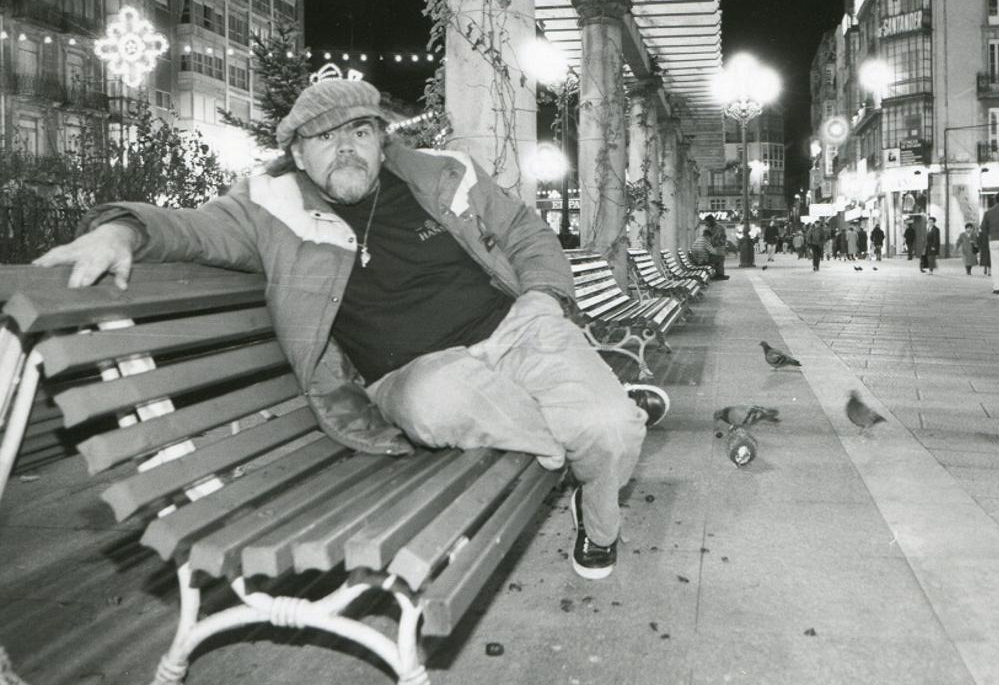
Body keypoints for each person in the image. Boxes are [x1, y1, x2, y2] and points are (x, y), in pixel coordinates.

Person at [33, 77, 657, 581]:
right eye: (324, 138)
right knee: (445, 403)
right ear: (299, 153)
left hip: (518, 328)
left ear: (381, 140)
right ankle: (571, 449)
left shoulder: (444, 175)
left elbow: (524, 232)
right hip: (415, 371)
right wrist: (121, 229)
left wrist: (544, 299)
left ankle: (595, 514)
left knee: (611, 425)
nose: (346, 147)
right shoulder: (269, 208)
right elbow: (191, 229)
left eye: (359, 131)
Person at [698, 215, 729, 280]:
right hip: (714, 247)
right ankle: (719, 274)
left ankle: (719, 274)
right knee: (720, 259)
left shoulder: (717, 227)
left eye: (706, 222)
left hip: (718, 245)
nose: (706, 224)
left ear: (710, 221)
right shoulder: (711, 227)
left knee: (720, 259)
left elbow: (715, 237)